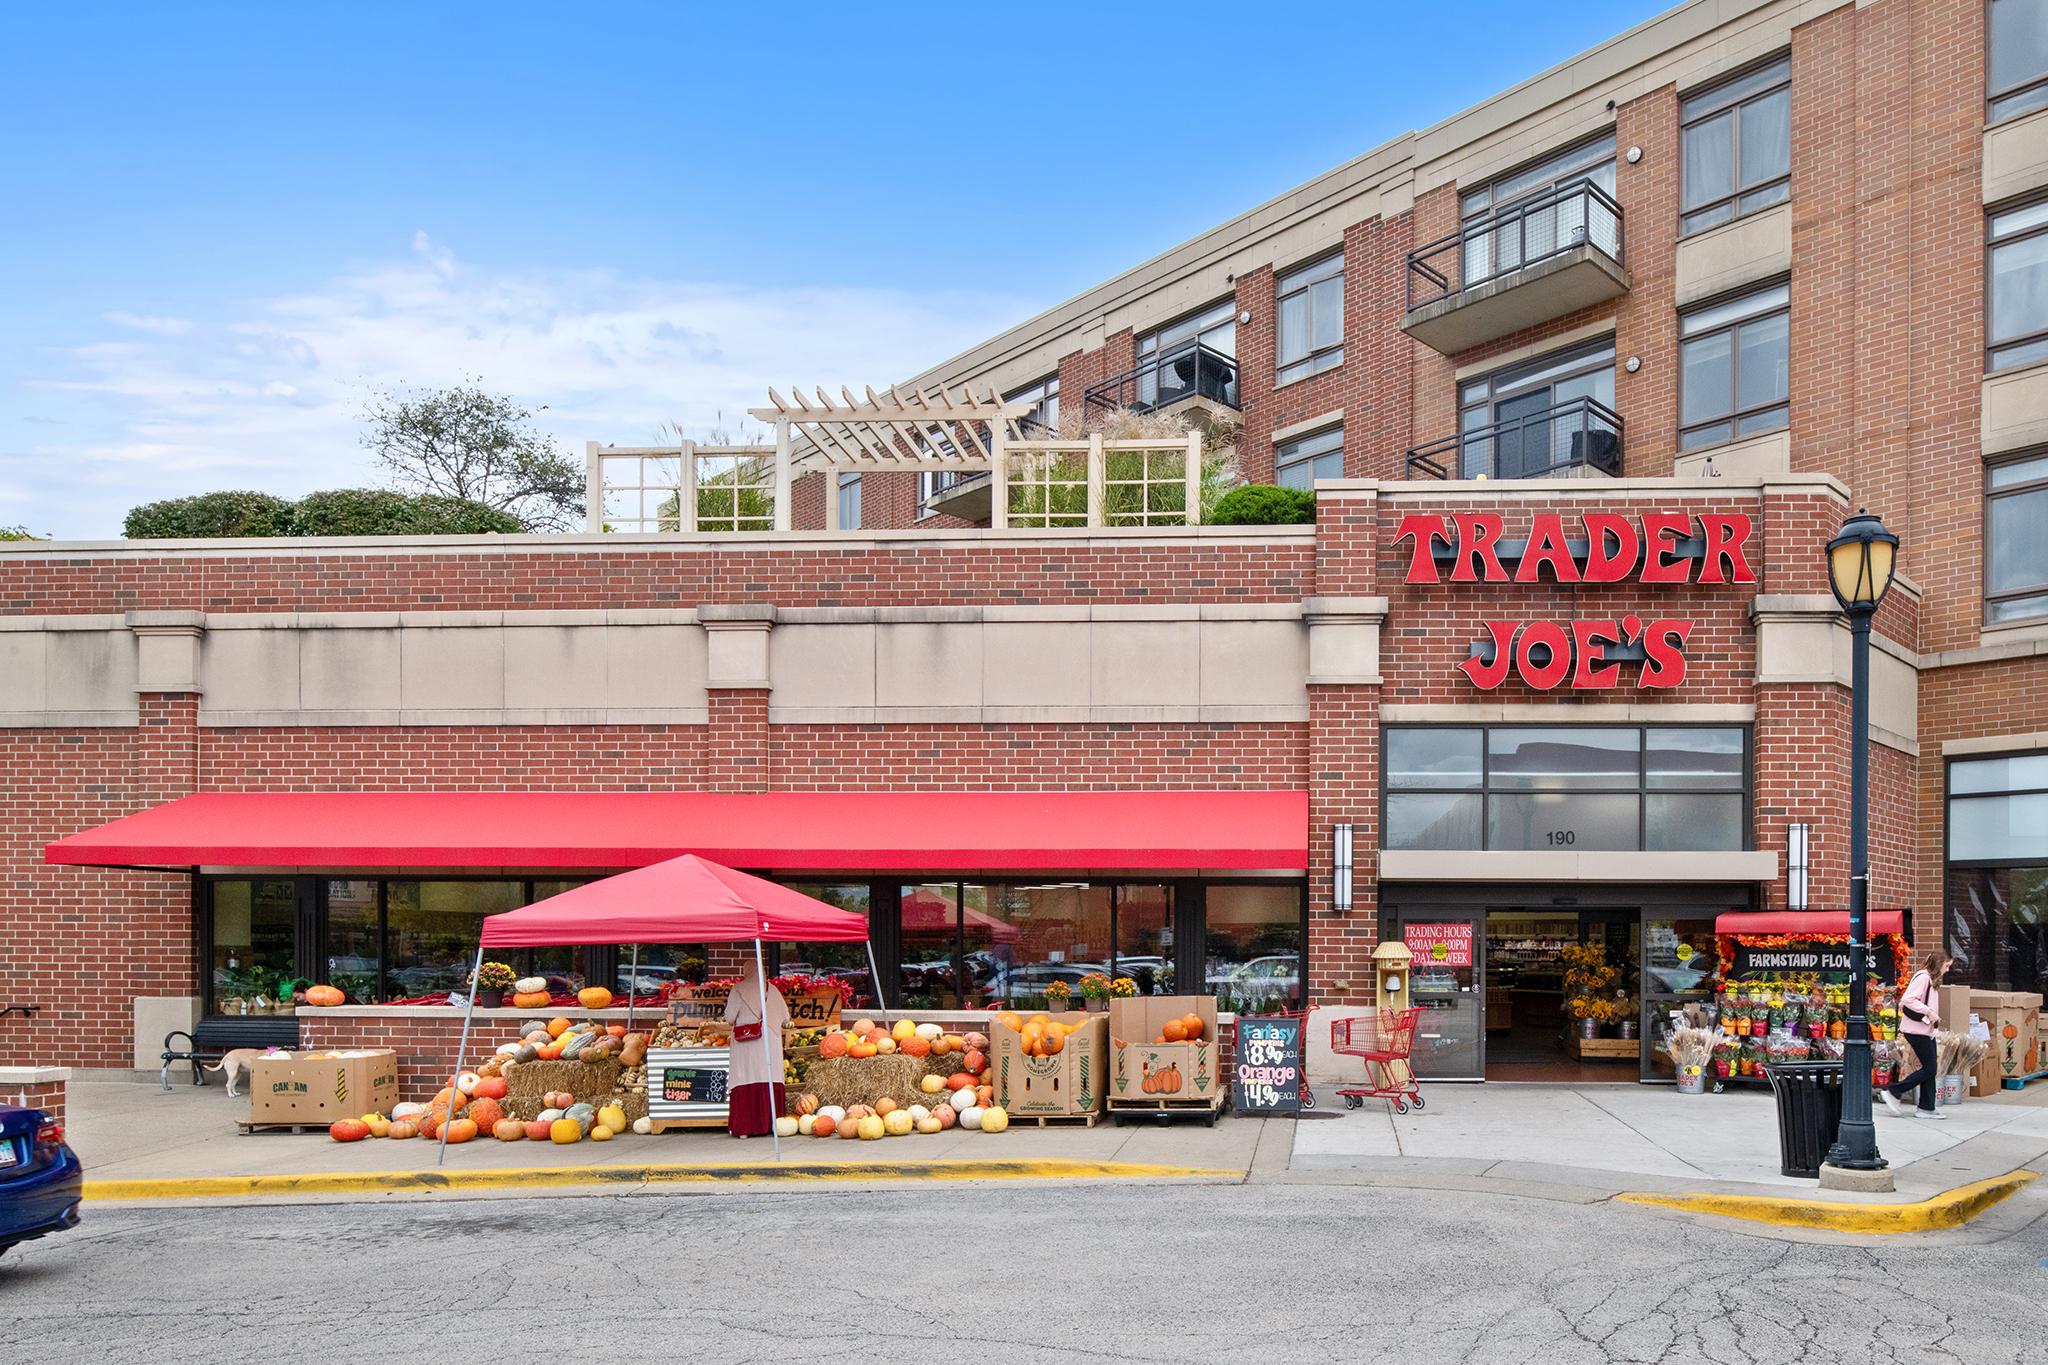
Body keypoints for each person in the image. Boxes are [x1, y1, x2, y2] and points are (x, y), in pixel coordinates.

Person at [723, 956, 789, 1138]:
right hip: (771, 1042)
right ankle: (770, 1124)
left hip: (747, 1044)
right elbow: (785, 1017)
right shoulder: (773, 990)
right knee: (769, 1077)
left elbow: (729, 1017)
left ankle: (745, 1128)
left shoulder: (738, 989)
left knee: (747, 1077)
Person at [1882, 951, 1949, 1120]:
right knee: (1930, 1068)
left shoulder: (1928, 979)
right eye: (1947, 966)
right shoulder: (1924, 978)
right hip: (1917, 1030)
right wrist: (1929, 1012)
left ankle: (1927, 1107)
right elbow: (1908, 1000)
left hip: (1924, 1030)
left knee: (1930, 1068)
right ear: (1939, 964)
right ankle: (1894, 1091)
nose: (1947, 970)